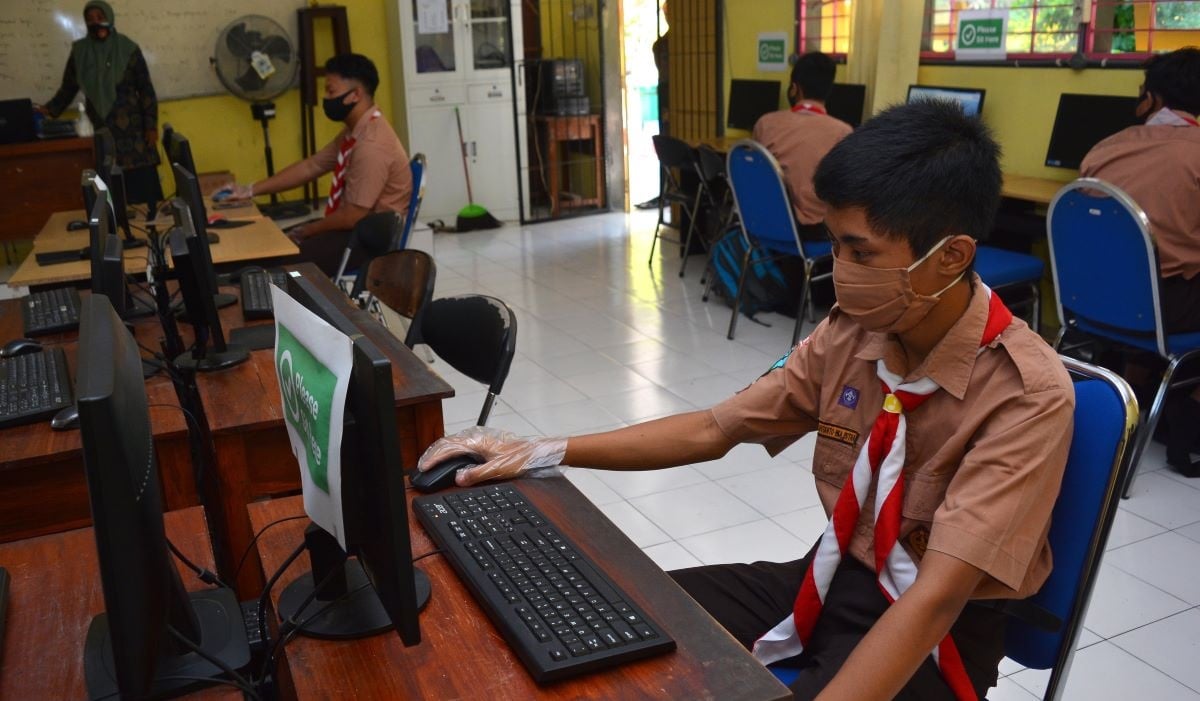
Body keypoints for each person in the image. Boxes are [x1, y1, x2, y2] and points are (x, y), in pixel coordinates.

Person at [417, 101, 1074, 701]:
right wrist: (545, 449)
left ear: (951, 256)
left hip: (936, 632)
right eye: (834, 242)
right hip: (832, 576)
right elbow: (715, 427)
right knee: (616, 618)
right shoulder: (855, 332)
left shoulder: (1026, 395)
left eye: (859, 250)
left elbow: (933, 602)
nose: (839, 267)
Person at [1079, 47, 1200, 475]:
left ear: (1152, 98)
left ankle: (1133, 394)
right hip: (1165, 311)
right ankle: (1189, 417)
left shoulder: (1105, 148)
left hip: (1091, 302)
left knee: (1153, 272)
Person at [220, 53, 412, 277]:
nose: (325, 98)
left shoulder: (372, 145)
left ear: (356, 95)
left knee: (273, 262)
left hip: (368, 241)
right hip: (353, 228)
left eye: (331, 91)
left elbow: (353, 216)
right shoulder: (357, 131)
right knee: (272, 243)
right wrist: (250, 190)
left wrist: (309, 230)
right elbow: (312, 166)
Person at [40, 1, 162, 206]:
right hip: (102, 129)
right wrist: (47, 111)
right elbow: (68, 88)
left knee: (144, 194)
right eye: (90, 19)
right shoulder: (80, 52)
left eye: (100, 17)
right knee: (111, 191)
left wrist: (151, 126)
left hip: (135, 134)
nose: (95, 22)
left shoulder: (128, 48)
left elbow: (146, 90)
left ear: (109, 18)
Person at [751, 52, 853, 239]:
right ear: (829, 90)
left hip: (766, 224)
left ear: (794, 88)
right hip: (814, 233)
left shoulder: (765, 124)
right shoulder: (843, 132)